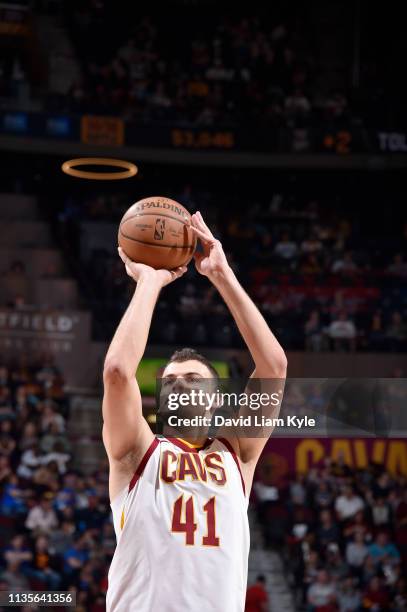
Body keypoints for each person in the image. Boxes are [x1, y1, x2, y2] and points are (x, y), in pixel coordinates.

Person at [103, 211, 287, 611]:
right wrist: (149, 283)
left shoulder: (237, 454)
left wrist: (221, 274)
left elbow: (273, 365)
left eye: (193, 378)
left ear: (216, 398)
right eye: (170, 381)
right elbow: (118, 372)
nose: (181, 383)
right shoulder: (136, 452)